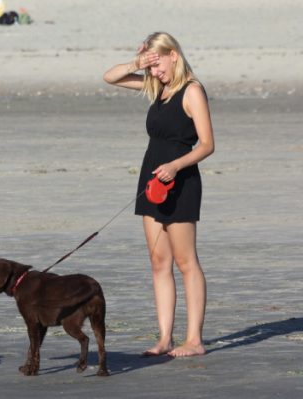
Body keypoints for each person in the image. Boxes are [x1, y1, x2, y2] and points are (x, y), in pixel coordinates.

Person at [103, 32, 214, 358]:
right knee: (158, 261)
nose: (155, 73)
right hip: (151, 180)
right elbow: (110, 77)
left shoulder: (192, 91)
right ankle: (165, 338)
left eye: (159, 64)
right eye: (150, 67)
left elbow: (207, 144)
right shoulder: (157, 86)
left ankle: (194, 340)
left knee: (186, 261)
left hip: (180, 181)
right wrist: (139, 63)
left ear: (174, 55)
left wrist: (176, 166)